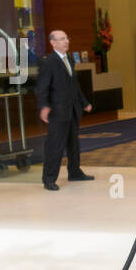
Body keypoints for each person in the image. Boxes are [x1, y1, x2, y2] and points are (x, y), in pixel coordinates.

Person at [36, 30, 94, 191]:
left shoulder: (69, 58)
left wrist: (84, 102)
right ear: (53, 43)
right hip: (57, 110)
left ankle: (74, 172)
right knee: (55, 145)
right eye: (62, 39)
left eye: (67, 38)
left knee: (73, 144)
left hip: (72, 109)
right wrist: (44, 106)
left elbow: (74, 85)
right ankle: (48, 179)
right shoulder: (49, 61)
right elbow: (42, 87)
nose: (66, 41)